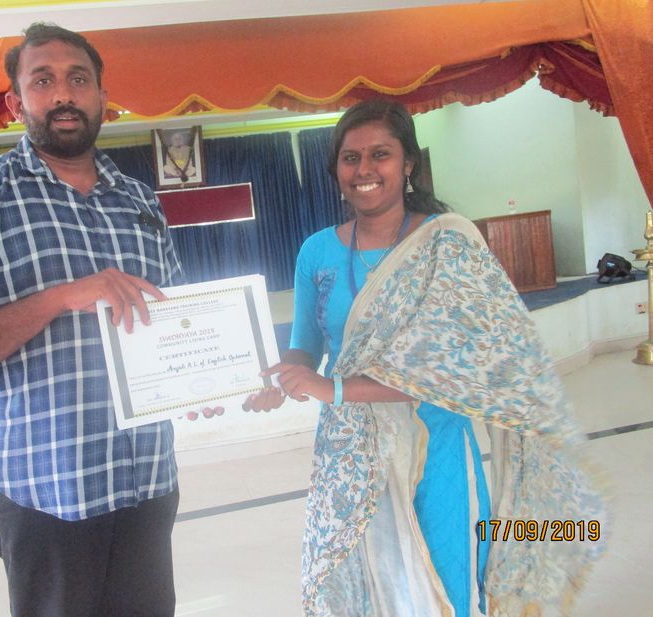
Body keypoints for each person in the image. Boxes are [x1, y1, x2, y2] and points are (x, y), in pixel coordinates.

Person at [244, 99, 607, 616]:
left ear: (408, 163)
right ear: (336, 169)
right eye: (350, 158)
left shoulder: (448, 244)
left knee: (446, 579)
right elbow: (306, 344)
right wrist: (281, 377)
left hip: (437, 444)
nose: (364, 170)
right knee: (371, 585)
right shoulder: (316, 252)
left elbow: (455, 364)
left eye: (380, 154)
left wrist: (332, 388)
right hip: (351, 452)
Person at [0, 23, 186, 617]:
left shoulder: (140, 201)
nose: (63, 95)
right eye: (43, 81)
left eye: (78, 80)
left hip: (147, 483)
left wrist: (196, 381)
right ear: (15, 102)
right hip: (47, 497)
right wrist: (59, 298)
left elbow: (172, 317)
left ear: (102, 96)